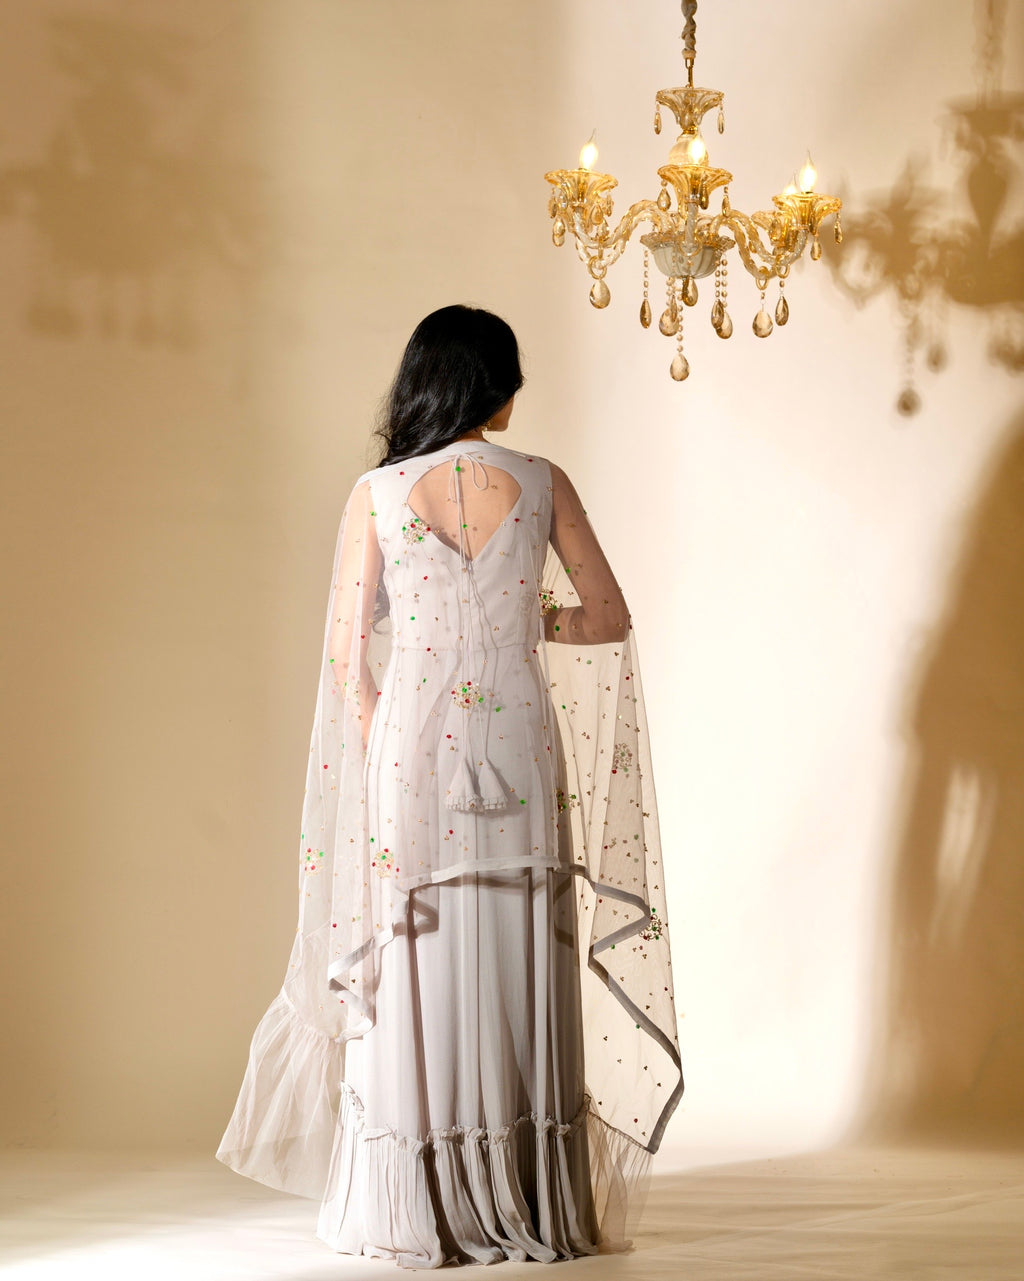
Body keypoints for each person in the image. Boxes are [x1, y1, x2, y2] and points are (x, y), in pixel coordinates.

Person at [215, 305, 684, 1269]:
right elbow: (608, 617)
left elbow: (349, 662)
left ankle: (419, 1200)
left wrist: (389, 742)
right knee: (520, 944)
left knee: (413, 959)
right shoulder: (542, 482)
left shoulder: (377, 493)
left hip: (410, 758)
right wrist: (518, 620)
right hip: (517, 744)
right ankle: (528, 1196)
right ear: (496, 388)